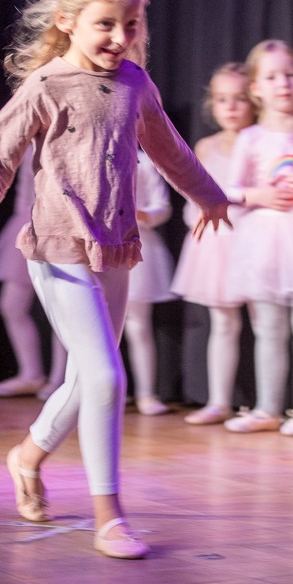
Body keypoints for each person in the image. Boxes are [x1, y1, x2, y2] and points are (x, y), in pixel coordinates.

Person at [0, 0, 229, 558]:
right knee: (104, 374)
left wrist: (209, 195)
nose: (120, 37)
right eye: (106, 23)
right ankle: (111, 515)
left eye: (131, 24)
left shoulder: (135, 85)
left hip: (116, 248)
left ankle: (27, 456)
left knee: (86, 377)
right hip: (57, 249)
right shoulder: (45, 86)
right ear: (67, 20)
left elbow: (169, 149)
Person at [224, 41, 293, 436]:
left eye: (291, 75)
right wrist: (258, 195)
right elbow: (229, 192)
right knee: (268, 330)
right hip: (264, 241)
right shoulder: (250, 137)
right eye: (271, 77)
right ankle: (267, 407)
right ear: (255, 88)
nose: (283, 84)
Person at [171, 63, 254, 425]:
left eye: (239, 99)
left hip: (252, 241)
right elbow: (193, 194)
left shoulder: (258, 140)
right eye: (222, 100)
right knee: (222, 323)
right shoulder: (206, 147)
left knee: (266, 324)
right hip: (216, 243)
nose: (230, 107)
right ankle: (219, 401)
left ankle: (266, 406)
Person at [0, 146, 66, 400]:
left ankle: (59, 379)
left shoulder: (68, 141)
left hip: (60, 228)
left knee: (62, 310)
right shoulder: (29, 145)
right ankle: (31, 374)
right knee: (11, 306)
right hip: (27, 223)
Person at [123, 150, 175, 416]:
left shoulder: (143, 161)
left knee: (137, 325)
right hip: (93, 245)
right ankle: (101, 392)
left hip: (136, 244)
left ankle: (146, 393)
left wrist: (142, 213)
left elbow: (161, 207)